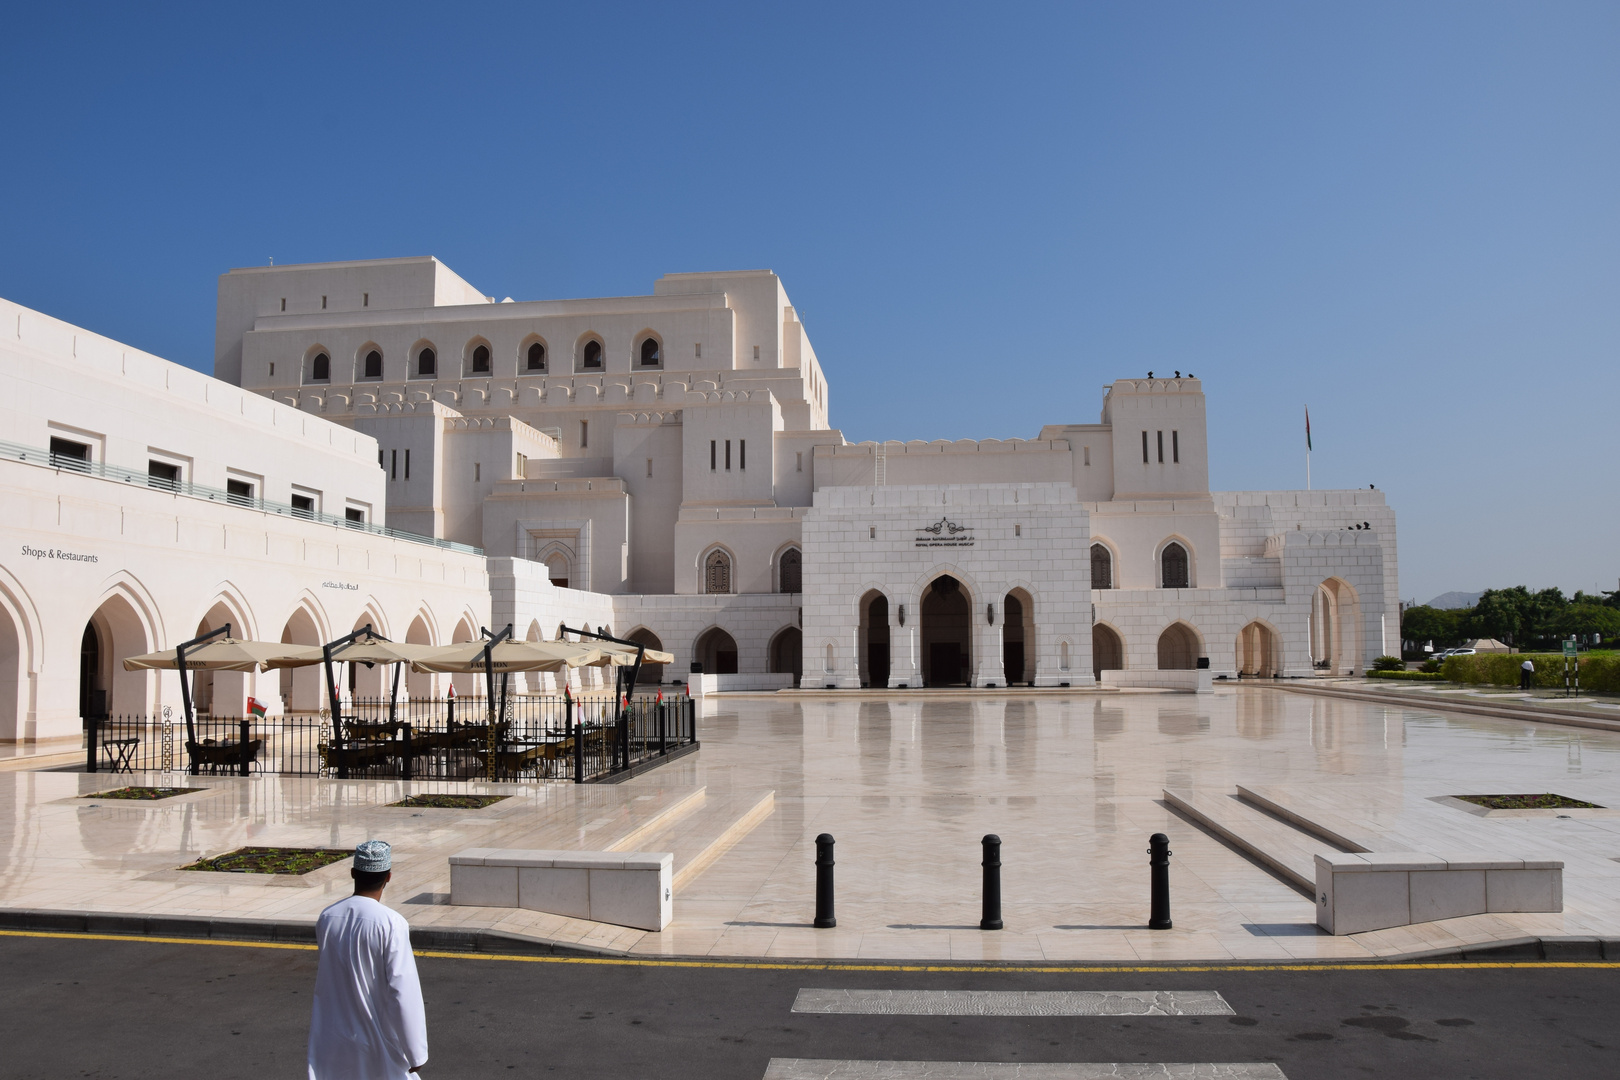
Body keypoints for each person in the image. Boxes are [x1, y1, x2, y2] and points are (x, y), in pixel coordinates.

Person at [308, 841, 428, 1079]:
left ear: (353, 873)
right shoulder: (391, 923)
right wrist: (416, 1053)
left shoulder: (328, 916)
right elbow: (403, 990)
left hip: (332, 1041)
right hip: (377, 1042)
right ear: (388, 877)